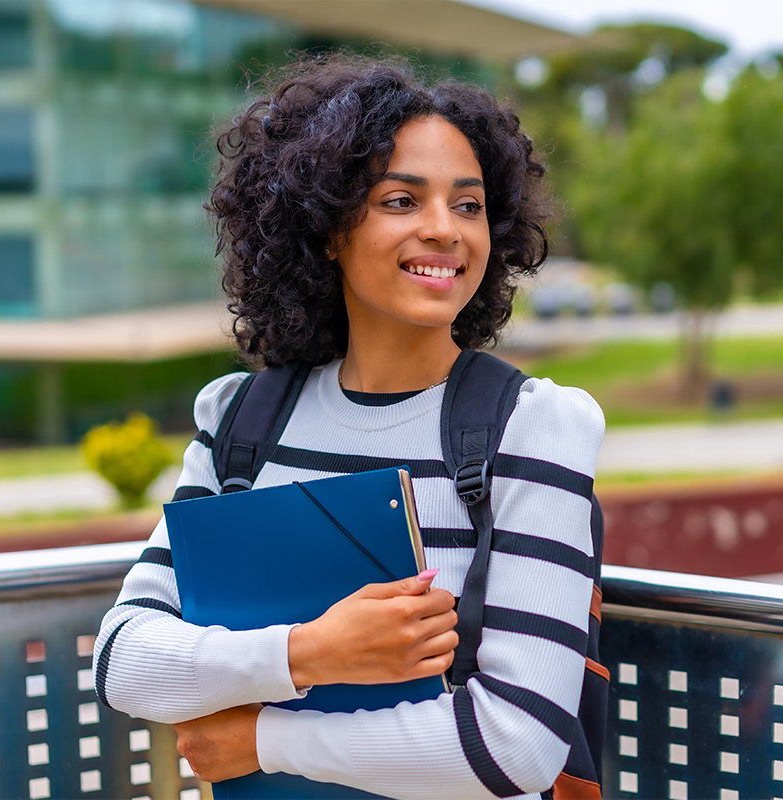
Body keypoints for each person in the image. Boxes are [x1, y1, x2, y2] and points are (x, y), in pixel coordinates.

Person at [94, 55, 605, 800]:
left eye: (468, 206)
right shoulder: (240, 420)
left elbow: (515, 744)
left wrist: (264, 740)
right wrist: (311, 653)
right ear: (326, 227)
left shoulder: (531, 426)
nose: (445, 231)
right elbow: (123, 659)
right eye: (402, 199)